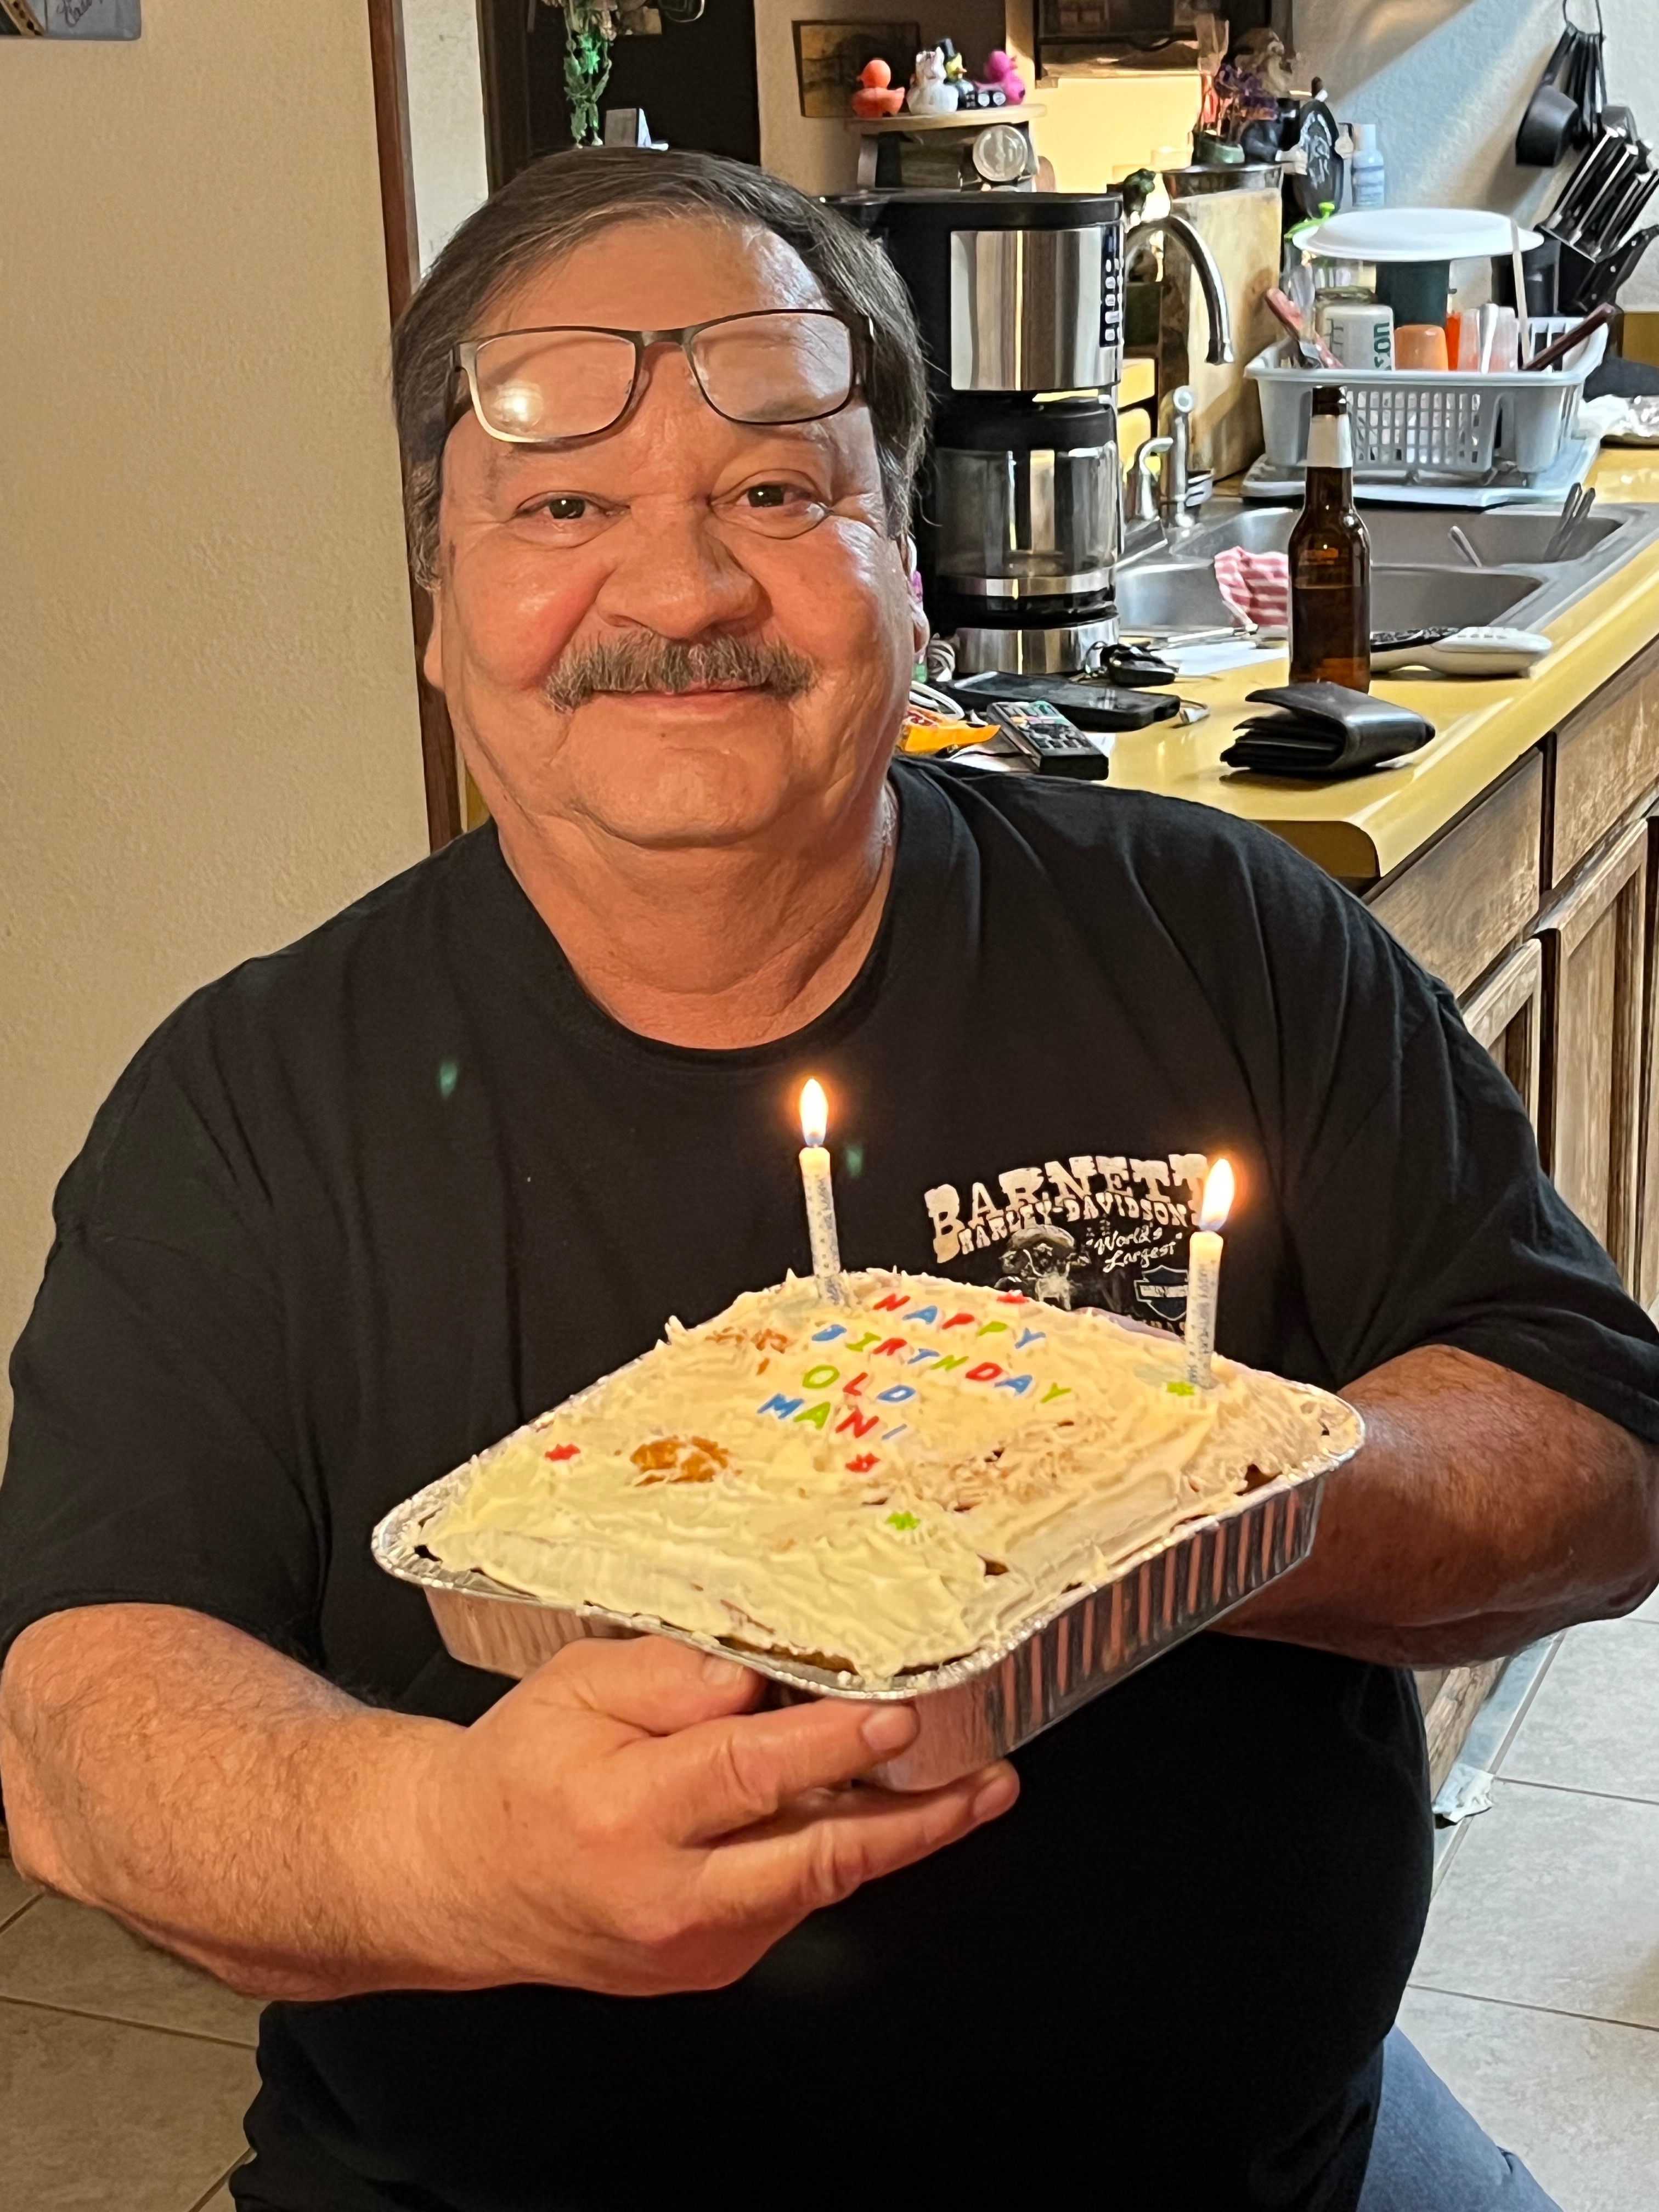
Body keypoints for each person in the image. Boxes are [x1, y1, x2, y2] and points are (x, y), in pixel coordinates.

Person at [1, 149, 1653, 2212]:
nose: (683, 592)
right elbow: (82, 1726)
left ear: (912, 570)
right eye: (562, 509)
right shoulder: (248, 1108)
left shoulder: (1223, 936)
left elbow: (1599, 1462)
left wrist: (1168, 1495)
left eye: (779, 492)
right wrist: (454, 1852)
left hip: (1269, 2173)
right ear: (437, 609)